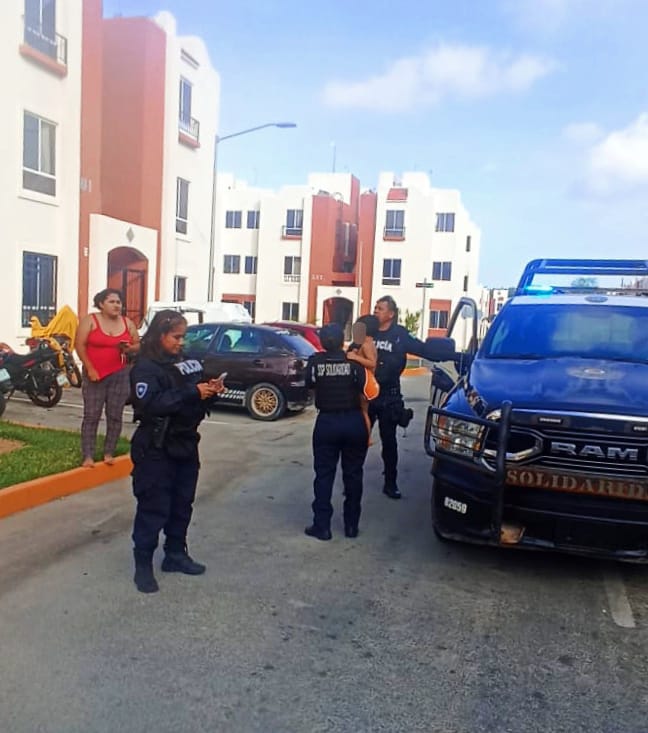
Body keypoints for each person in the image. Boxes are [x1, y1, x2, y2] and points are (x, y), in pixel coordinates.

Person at [128, 310, 226, 593]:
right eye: (176, 337)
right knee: (153, 507)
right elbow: (151, 404)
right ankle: (143, 566)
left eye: (184, 337)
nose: (181, 342)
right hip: (156, 447)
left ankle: (175, 554)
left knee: (182, 504)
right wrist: (192, 393)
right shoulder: (146, 368)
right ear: (160, 335)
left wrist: (212, 389)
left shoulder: (184, 363)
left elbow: (194, 392)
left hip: (185, 443)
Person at [304, 323, 378, 541]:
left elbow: (309, 384)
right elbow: (369, 392)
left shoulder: (315, 362)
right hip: (353, 421)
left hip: (327, 422)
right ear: (342, 341)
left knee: (324, 475)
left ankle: (322, 526)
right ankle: (351, 526)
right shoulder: (354, 363)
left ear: (322, 342)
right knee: (354, 474)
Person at [370, 295, 430, 500]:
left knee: (389, 442)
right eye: (375, 307)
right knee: (358, 440)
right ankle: (352, 480)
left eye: (380, 308)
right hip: (366, 394)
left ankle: (390, 483)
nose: (375, 311)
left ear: (391, 314)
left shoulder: (399, 335)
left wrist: (449, 353)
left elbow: (422, 349)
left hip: (389, 396)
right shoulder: (369, 330)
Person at [75, 288, 140, 467]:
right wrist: (90, 368)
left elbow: (138, 345)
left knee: (115, 415)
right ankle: (88, 456)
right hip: (94, 374)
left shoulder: (128, 323)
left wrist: (129, 348)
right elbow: (79, 345)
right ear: (101, 304)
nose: (116, 305)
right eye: (112, 301)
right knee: (91, 415)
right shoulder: (91, 320)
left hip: (120, 374)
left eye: (118, 302)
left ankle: (108, 452)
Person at [346, 314, 379, 442]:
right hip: (365, 381)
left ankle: (367, 438)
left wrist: (355, 357)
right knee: (361, 411)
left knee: (363, 412)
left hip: (366, 383)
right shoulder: (365, 344)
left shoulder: (366, 344)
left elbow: (372, 363)